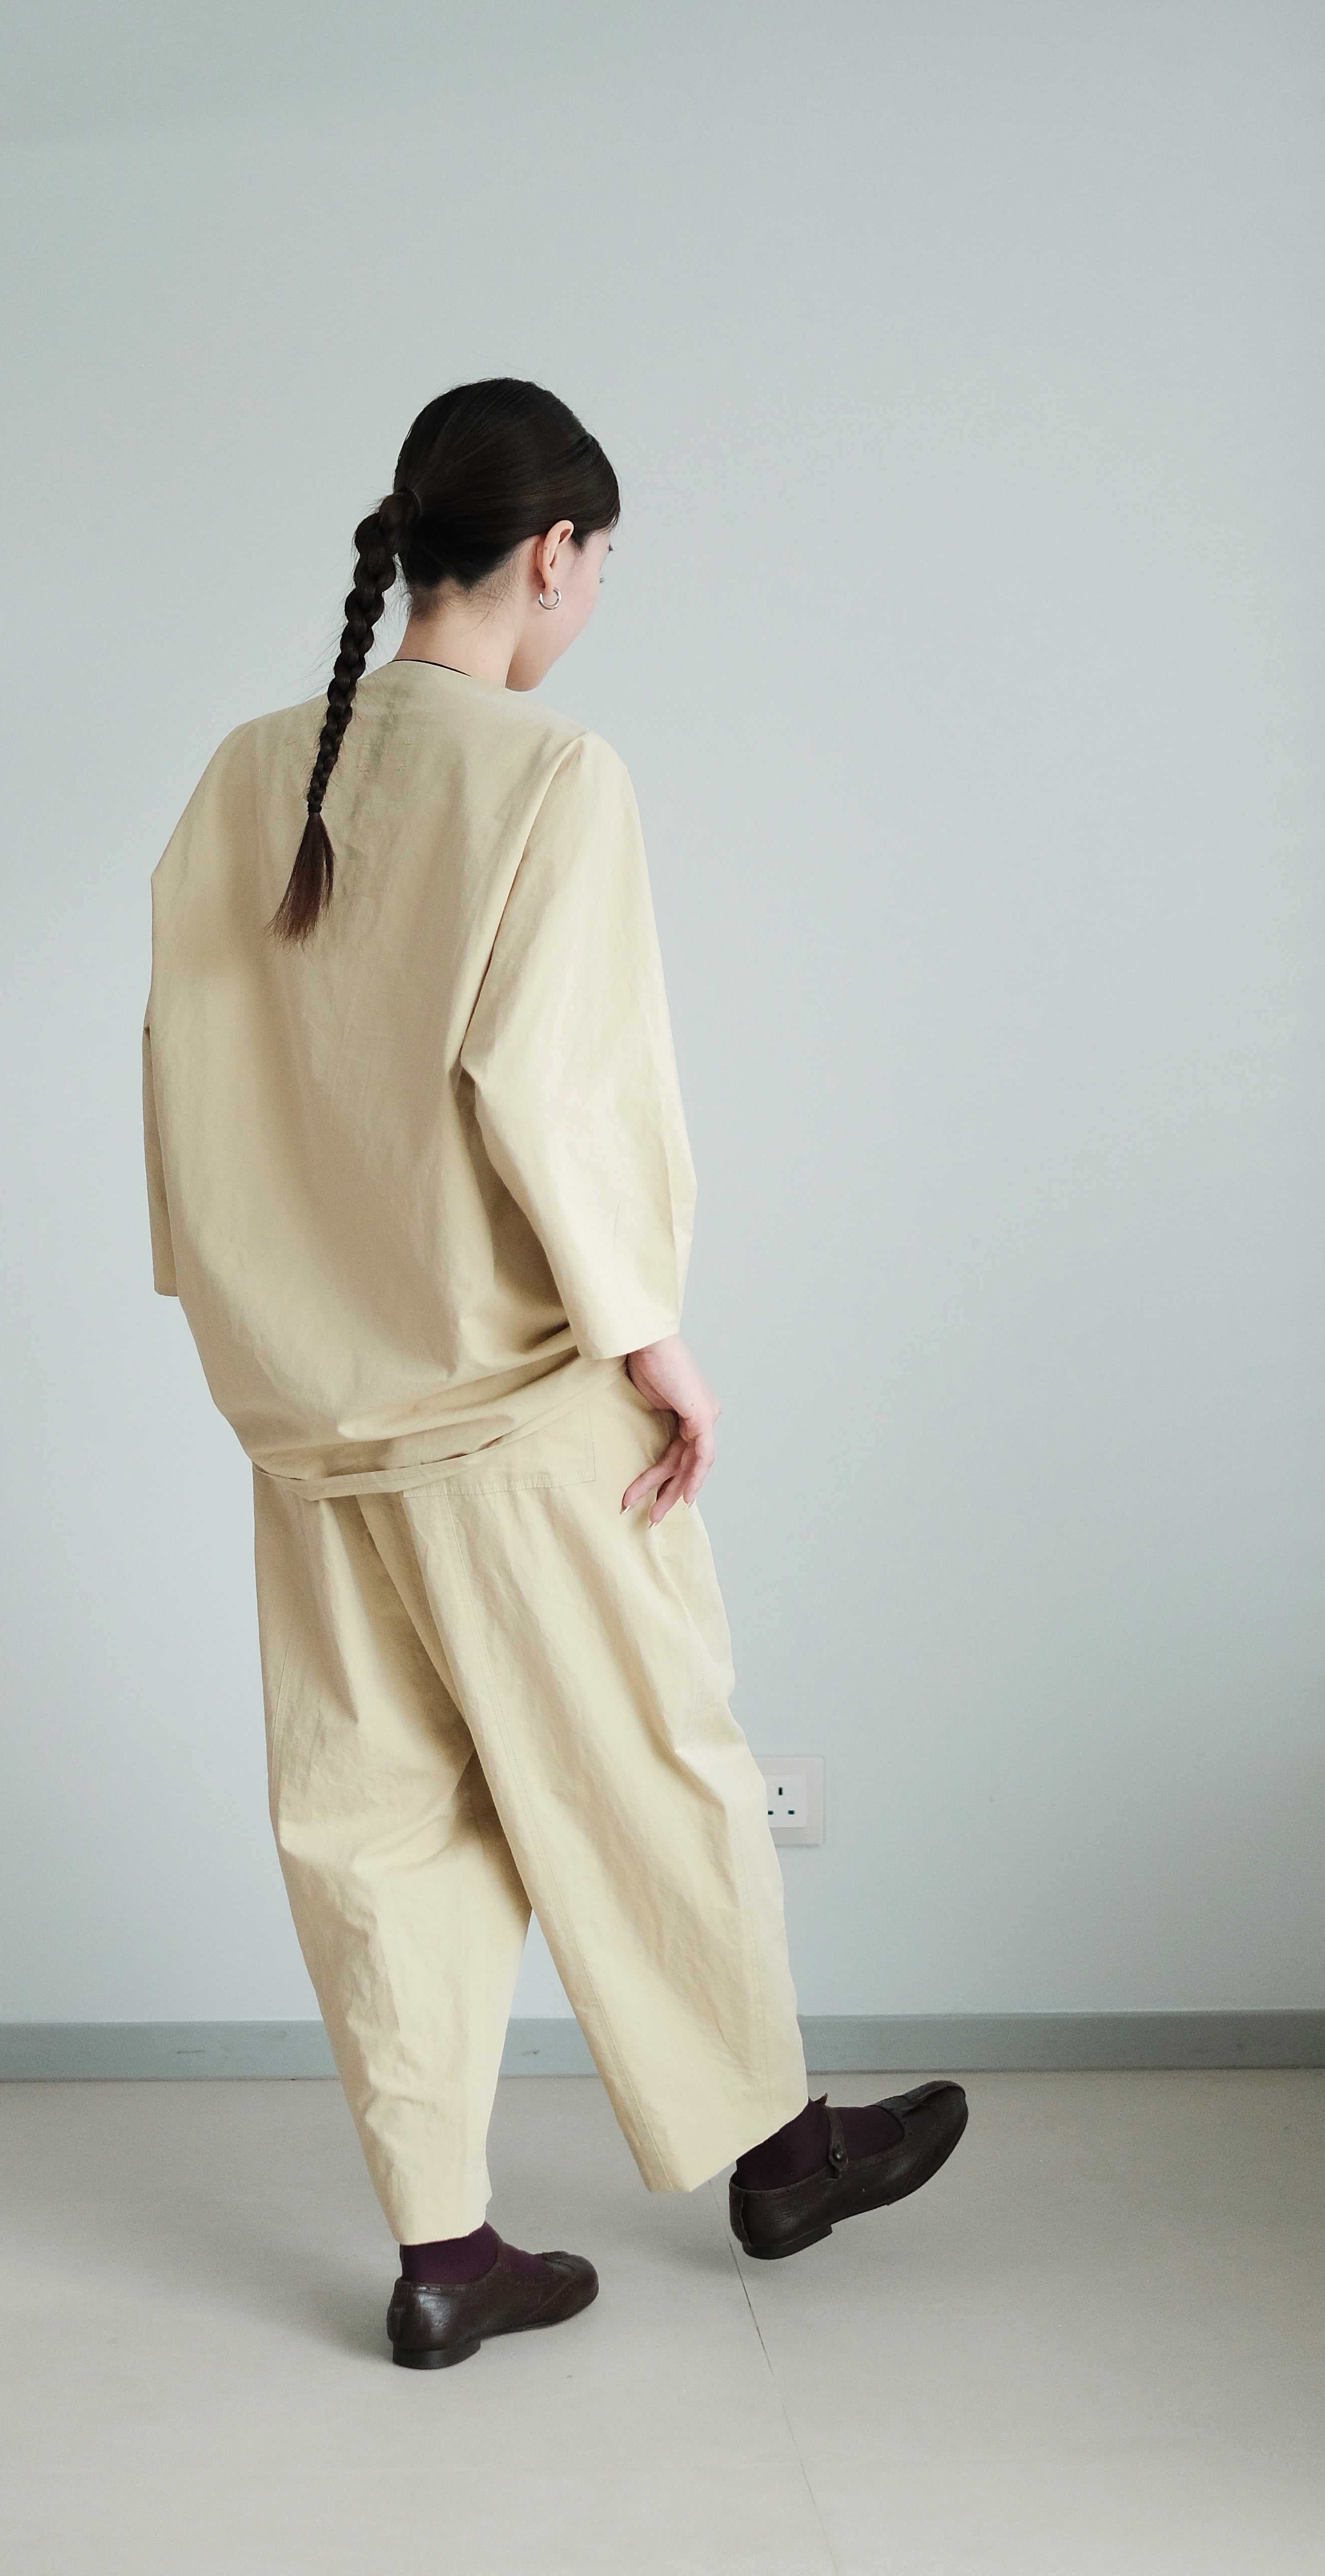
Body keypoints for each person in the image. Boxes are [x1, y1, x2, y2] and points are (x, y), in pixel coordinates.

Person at [142, 377, 967, 2371]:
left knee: (374, 1826)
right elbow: (561, 1091)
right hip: (508, 1403)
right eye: (597, 564)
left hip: (310, 1419)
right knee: (648, 1763)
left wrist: (232, 1312)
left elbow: (181, 1078)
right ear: (552, 552)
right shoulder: (550, 776)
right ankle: (775, 2153)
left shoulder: (249, 773)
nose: (591, 599)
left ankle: (444, 2254)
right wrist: (655, 1341)